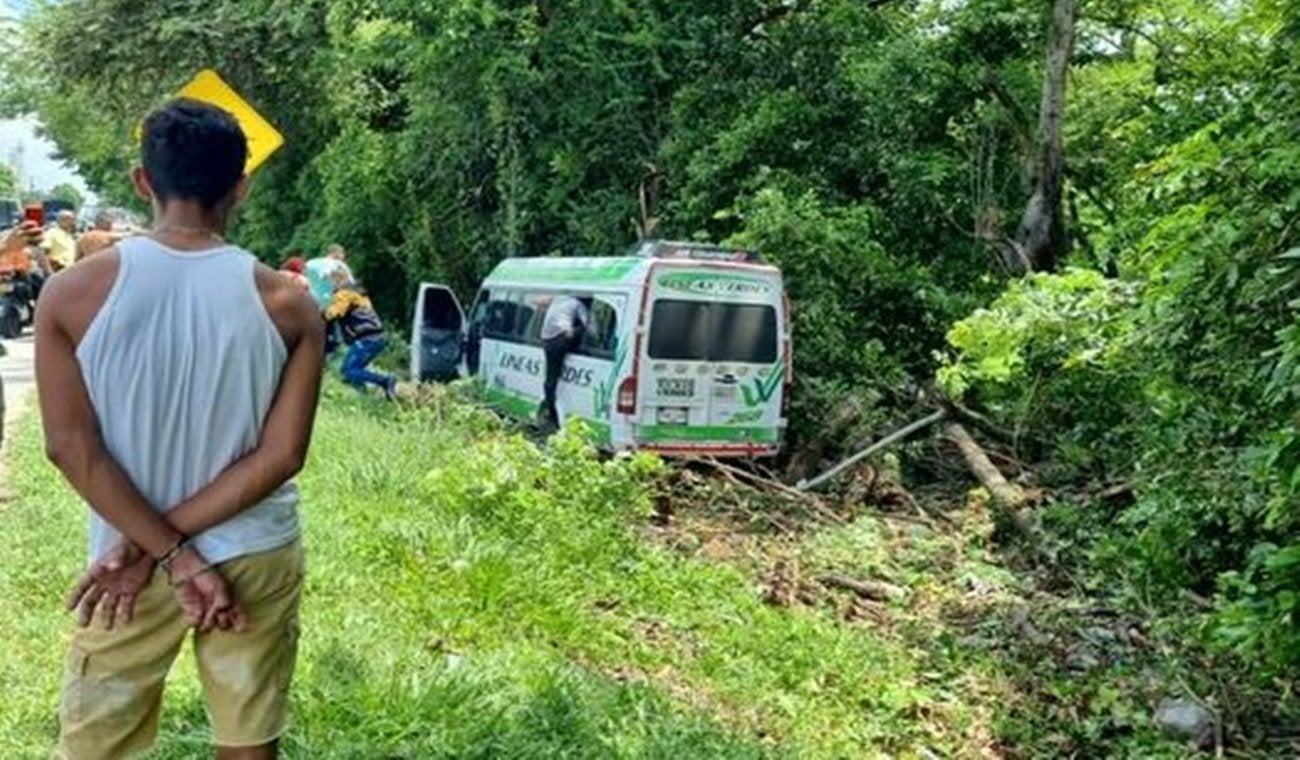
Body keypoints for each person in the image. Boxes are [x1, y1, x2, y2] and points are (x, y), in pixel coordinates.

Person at [35, 98, 324, 760]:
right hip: (254, 547)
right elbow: (281, 456)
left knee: (96, 746)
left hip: (124, 560)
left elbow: (69, 447)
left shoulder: (71, 294)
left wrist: (154, 551)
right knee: (247, 740)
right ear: (241, 187)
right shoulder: (289, 304)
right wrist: (177, 552)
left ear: (143, 181)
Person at [323, 269, 397, 399]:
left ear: (338, 281)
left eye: (331, 282)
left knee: (349, 371)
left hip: (367, 338)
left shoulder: (343, 294)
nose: (330, 286)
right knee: (353, 370)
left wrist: (320, 314)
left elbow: (334, 313)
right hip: (376, 337)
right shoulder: (358, 294)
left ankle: (385, 380)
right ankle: (365, 397)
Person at [537, 295, 590, 427]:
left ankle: (549, 407)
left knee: (550, 376)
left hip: (546, 339)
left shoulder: (559, 299)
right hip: (561, 338)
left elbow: (540, 301)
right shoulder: (579, 304)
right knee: (579, 329)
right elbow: (586, 325)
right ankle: (551, 410)